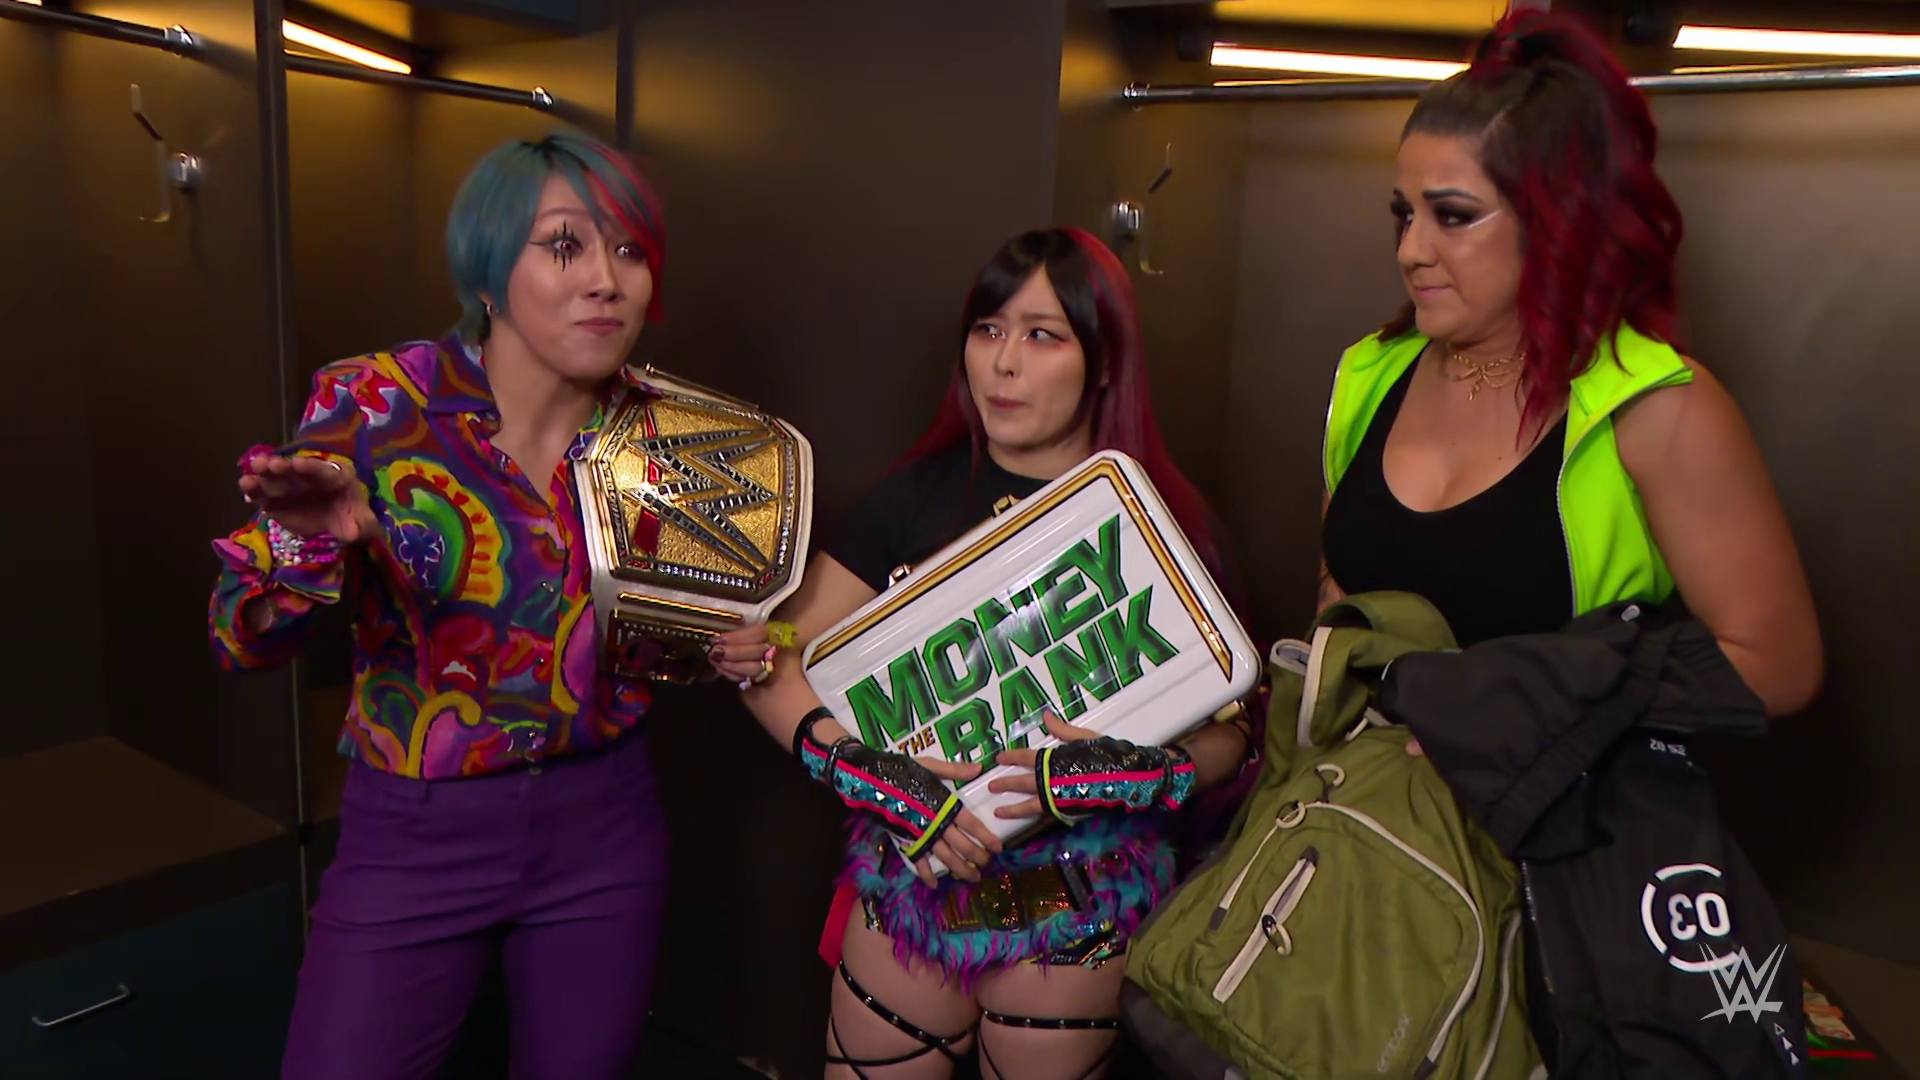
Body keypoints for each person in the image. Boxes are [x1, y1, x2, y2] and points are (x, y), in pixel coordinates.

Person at [1314, 8, 1822, 1068]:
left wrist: (1514, 704)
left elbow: (1778, 663)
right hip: (1367, 867)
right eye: (1402, 214)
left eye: (1453, 217)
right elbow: (1335, 610)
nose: (1411, 250)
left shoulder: (1659, 409)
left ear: (1557, 220)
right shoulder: (1369, 372)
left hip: (1558, 895)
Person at [709, 228, 1255, 1080]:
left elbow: (1234, 733)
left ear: (1104, 361)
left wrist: (1142, 772)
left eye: (1043, 335)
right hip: (915, 885)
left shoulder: (1156, 521)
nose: (1004, 362)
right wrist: (867, 772)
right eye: (989, 329)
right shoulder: (911, 499)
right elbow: (772, 660)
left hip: (1083, 895)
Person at [208, 132, 672, 1080]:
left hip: (605, 826)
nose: (606, 281)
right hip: (416, 832)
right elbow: (239, 636)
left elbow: (677, 637)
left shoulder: (668, 432)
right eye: (564, 245)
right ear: (490, 272)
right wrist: (311, 543)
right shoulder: (377, 403)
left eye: (629, 250)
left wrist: (736, 642)